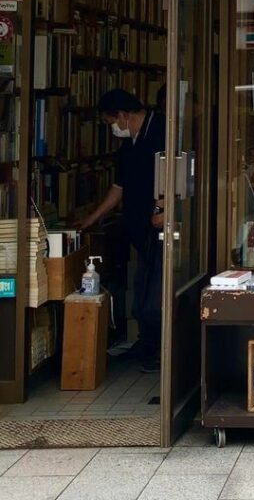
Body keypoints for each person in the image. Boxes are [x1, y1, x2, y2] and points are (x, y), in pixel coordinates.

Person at [76, 89, 165, 372]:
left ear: (124, 115)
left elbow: (181, 174)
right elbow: (119, 187)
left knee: (155, 293)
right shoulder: (128, 145)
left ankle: (161, 348)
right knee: (142, 289)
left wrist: (168, 208)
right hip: (139, 229)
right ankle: (148, 342)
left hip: (162, 228)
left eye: (110, 122)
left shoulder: (163, 130)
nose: (112, 128)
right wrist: (92, 218)